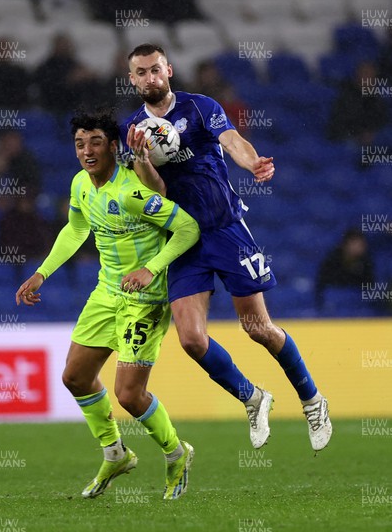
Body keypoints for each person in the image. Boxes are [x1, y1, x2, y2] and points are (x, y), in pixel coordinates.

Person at [119, 43, 332, 452]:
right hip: (181, 238)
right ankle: (253, 398)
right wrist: (142, 161)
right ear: (132, 79)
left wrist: (252, 163)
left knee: (258, 329)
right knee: (191, 340)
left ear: (169, 70)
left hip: (224, 227)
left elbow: (232, 140)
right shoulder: (132, 128)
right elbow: (156, 192)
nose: (150, 78)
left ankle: (312, 400)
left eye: (155, 70)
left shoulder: (199, 107)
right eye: (141, 72)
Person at [16, 106, 200, 500]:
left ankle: (176, 452)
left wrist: (151, 269)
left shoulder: (133, 190)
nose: (86, 150)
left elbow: (187, 228)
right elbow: (76, 228)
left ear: (113, 146)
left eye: (95, 141)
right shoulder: (81, 184)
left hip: (146, 299)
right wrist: (42, 272)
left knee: (130, 395)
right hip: (106, 292)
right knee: (74, 377)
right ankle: (115, 453)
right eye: (80, 143)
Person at [316, 229, 375, 308]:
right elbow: (324, 285)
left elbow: (370, 286)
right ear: (345, 244)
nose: (358, 248)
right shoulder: (332, 260)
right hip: (335, 301)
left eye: (361, 245)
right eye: (355, 244)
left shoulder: (367, 262)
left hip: (358, 303)